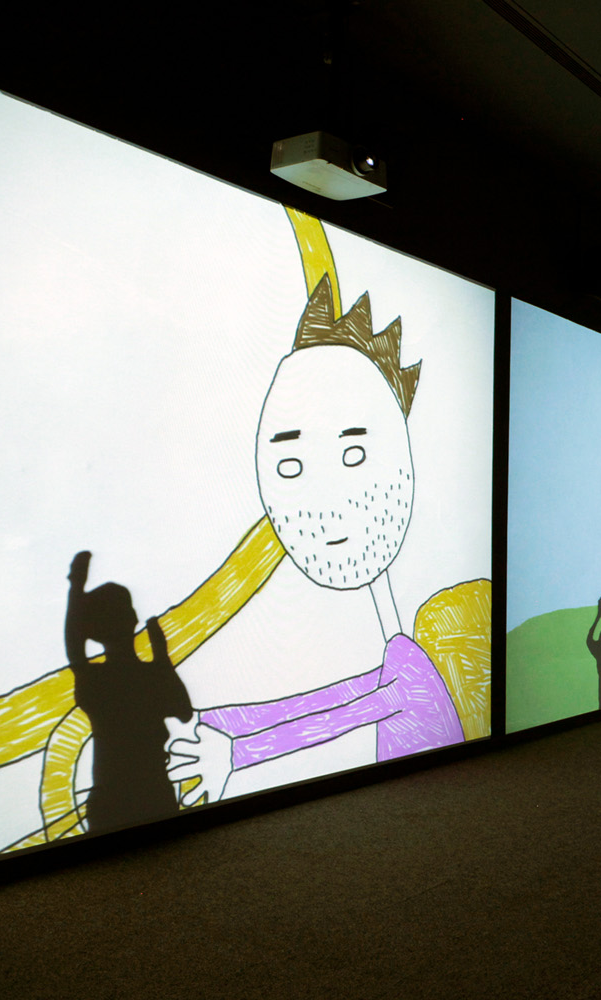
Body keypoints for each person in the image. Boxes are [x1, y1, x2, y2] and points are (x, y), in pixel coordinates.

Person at [168, 275, 463, 804]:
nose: (326, 502)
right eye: (290, 465)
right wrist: (207, 719)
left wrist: (237, 754)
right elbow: (317, 704)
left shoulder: (409, 669)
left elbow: (342, 716)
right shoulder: (397, 653)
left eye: (354, 456)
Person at [65, 550, 193, 832]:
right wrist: (162, 659)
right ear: (133, 618)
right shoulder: (147, 675)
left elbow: (74, 649)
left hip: (119, 798)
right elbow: (183, 711)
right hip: (151, 794)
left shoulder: (96, 679)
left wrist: (76, 587)